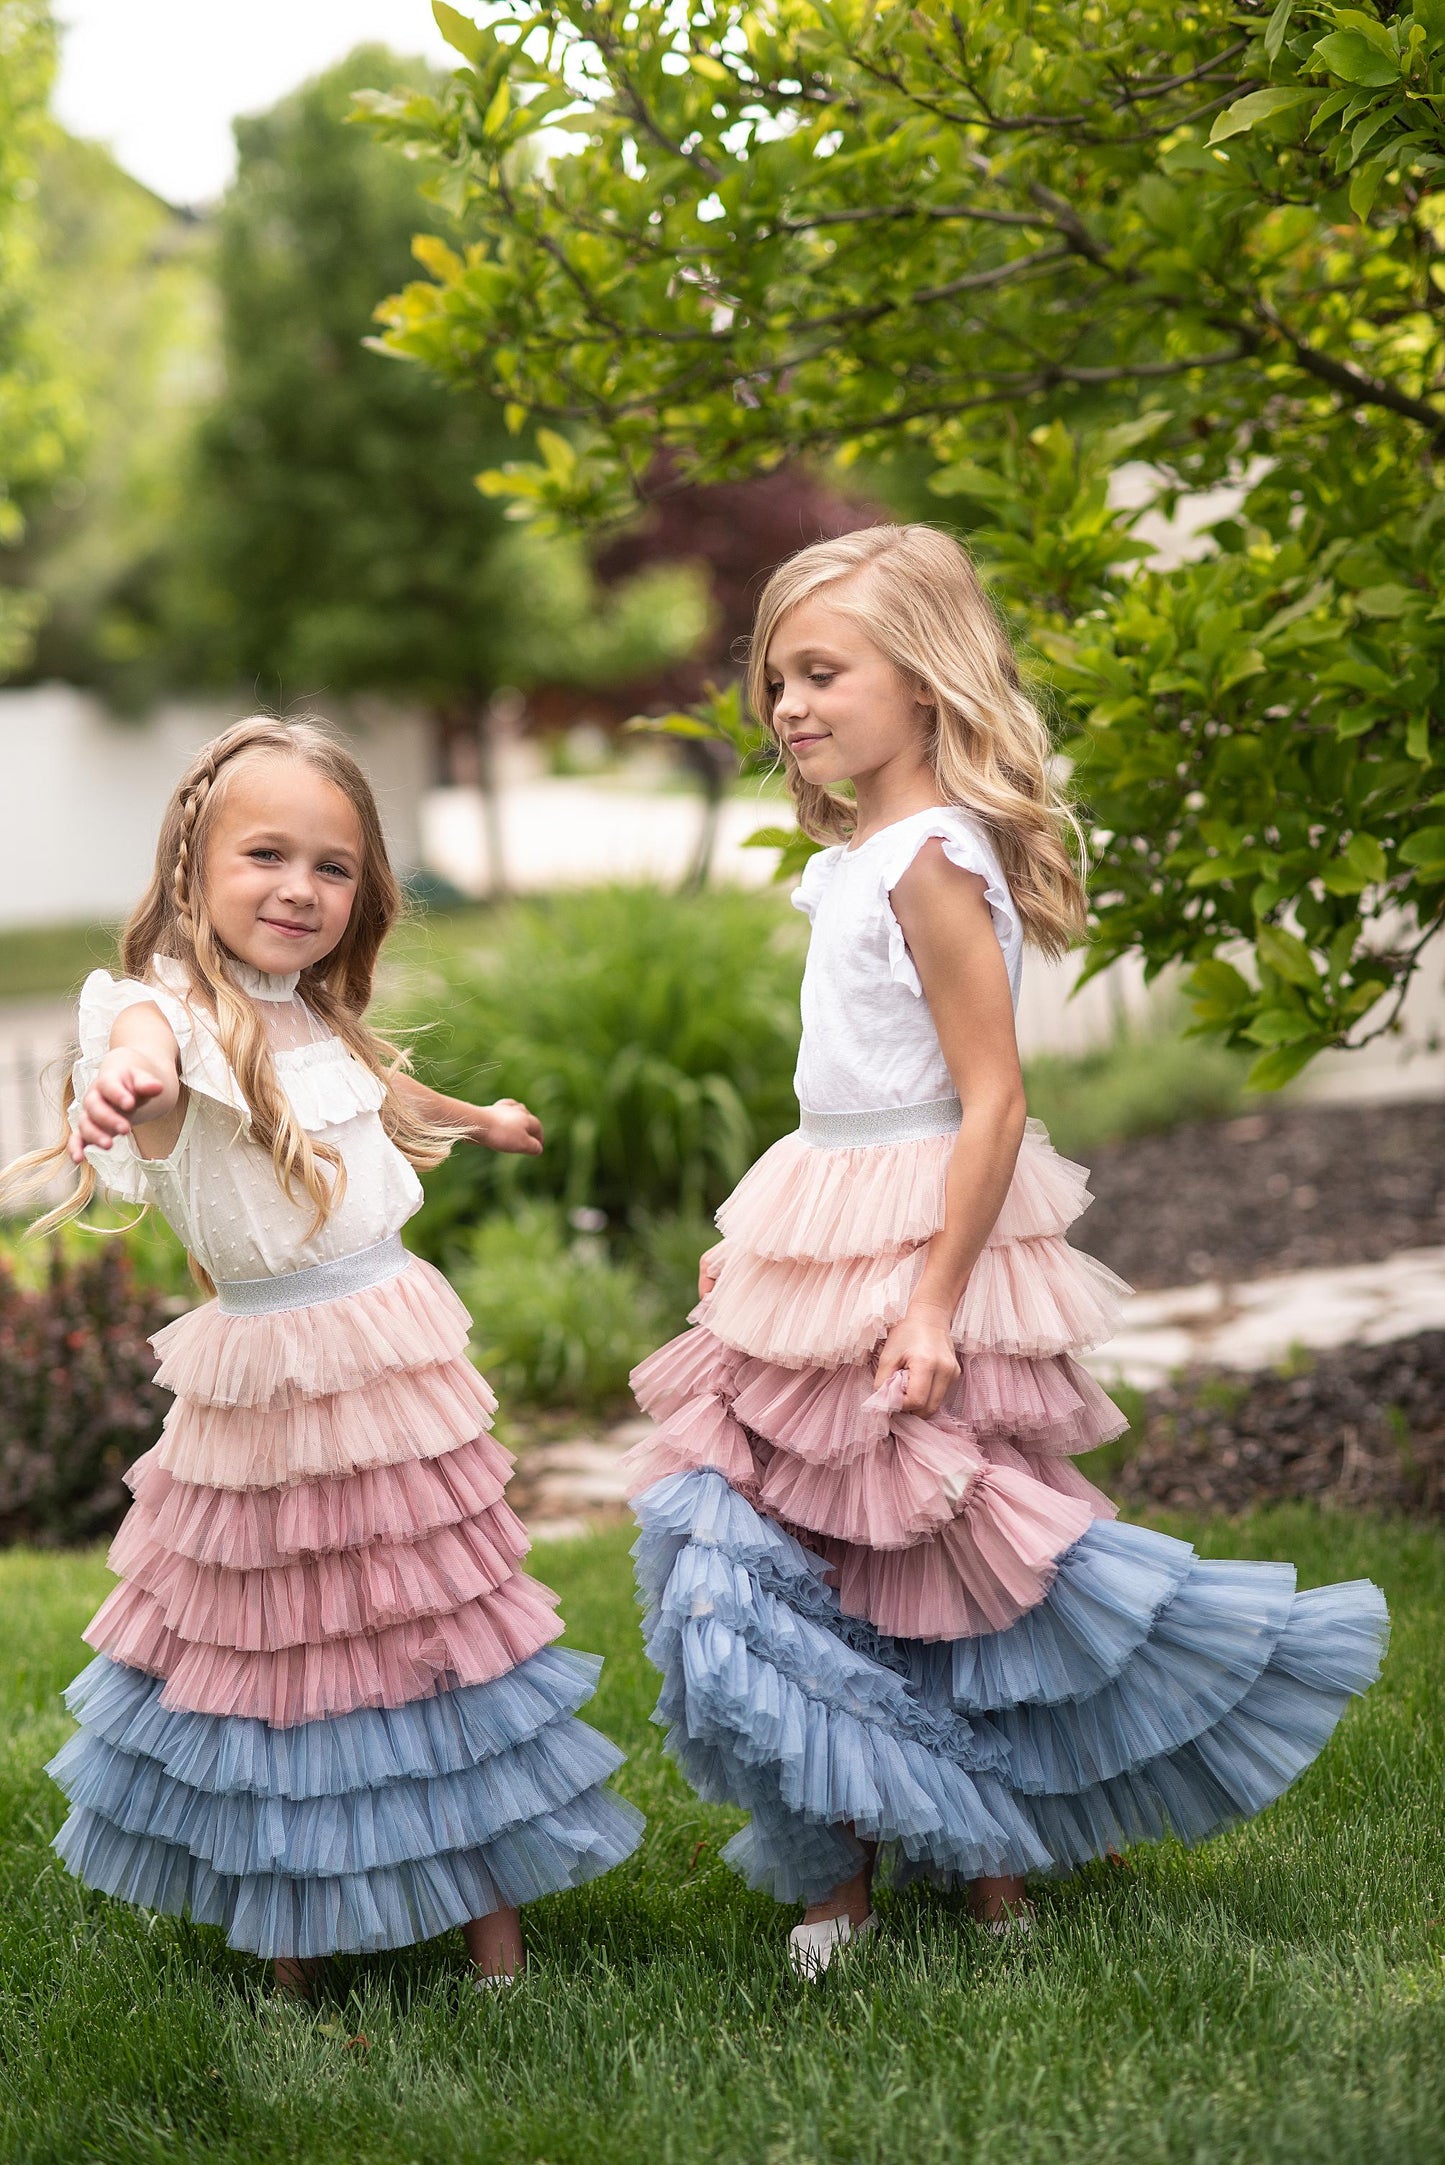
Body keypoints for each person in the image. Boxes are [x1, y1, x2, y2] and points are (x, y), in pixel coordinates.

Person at [622, 526, 1388, 1979]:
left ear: (923, 680)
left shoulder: (928, 860)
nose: (785, 704)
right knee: (814, 1541)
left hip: (927, 1227)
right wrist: (757, 1240)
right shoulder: (857, 855)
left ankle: (988, 1857)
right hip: (829, 1205)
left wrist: (928, 1302)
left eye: (821, 671)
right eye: (775, 677)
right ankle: (846, 1856)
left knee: (946, 1550)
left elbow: (991, 1096)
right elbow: (840, 1085)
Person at [1, 716, 642, 1996]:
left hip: (389, 1336)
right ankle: (299, 1950)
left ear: (365, 891)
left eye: (333, 867)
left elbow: (381, 1093)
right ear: (193, 870)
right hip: (276, 1365)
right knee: (289, 1636)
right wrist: (119, 1090)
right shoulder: (160, 1008)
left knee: (433, 1614)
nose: (300, 887)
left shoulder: (311, 1014)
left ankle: (491, 1936)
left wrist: (483, 1115)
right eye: (266, 855)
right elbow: (148, 1067)